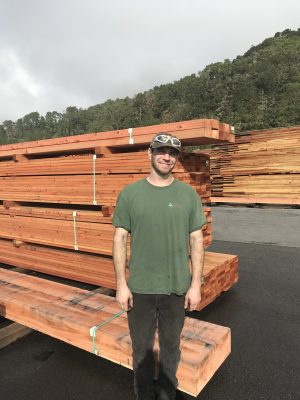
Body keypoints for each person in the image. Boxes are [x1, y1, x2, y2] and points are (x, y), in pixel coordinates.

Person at [112, 133, 206, 400]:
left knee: (171, 348)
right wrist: (121, 284)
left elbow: (196, 239)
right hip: (140, 288)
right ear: (150, 154)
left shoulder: (188, 195)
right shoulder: (131, 194)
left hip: (176, 288)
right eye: (162, 151)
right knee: (141, 352)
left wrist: (195, 284)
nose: (167, 157)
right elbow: (120, 238)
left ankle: (167, 395)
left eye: (173, 153)